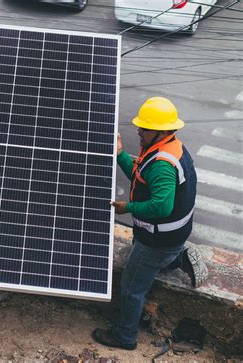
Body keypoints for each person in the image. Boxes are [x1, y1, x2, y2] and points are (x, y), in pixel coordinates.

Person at [92, 97, 208, 350]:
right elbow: (140, 176)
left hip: (156, 240)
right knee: (151, 259)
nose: (139, 131)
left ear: (163, 131)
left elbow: (161, 206)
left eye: (145, 128)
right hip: (170, 236)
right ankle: (181, 257)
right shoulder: (171, 148)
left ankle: (124, 336)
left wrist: (128, 207)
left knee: (132, 287)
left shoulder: (163, 164)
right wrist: (120, 154)